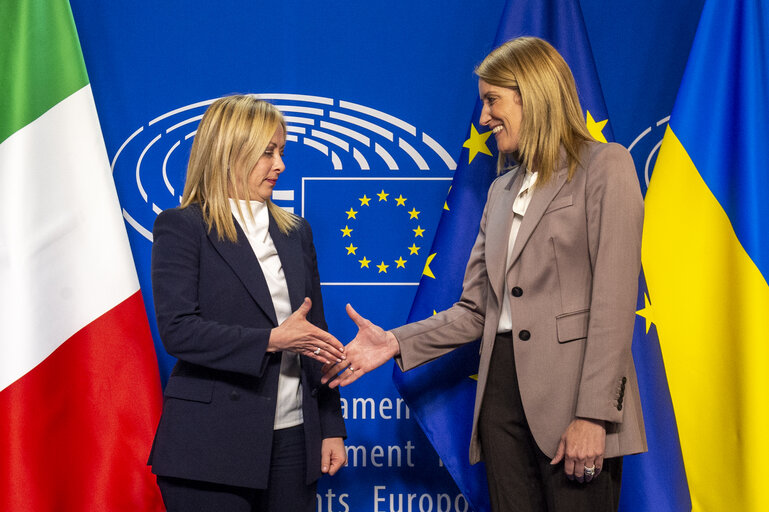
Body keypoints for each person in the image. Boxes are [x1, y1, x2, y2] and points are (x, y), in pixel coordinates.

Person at [323, 37, 647, 512]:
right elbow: (476, 310)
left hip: (573, 397)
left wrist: (593, 415)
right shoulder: (500, 191)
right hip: (499, 398)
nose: (483, 118)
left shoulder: (606, 166)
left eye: (493, 100)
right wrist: (394, 342)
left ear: (531, 94)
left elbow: (615, 303)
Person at [148, 95, 347, 512]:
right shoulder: (183, 227)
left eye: (281, 152)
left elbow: (317, 337)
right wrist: (272, 340)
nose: (280, 165)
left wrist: (331, 427)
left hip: (294, 443)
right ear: (228, 154)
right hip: (210, 448)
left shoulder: (296, 232)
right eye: (267, 152)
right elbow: (179, 331)